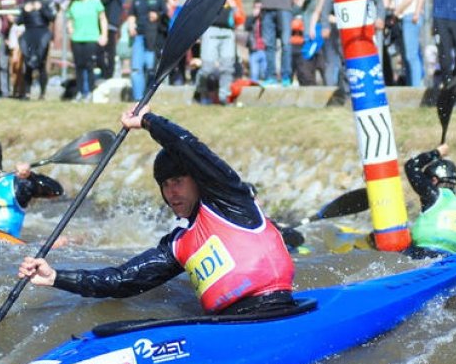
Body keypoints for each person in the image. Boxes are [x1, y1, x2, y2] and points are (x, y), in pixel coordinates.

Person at [18, 106, 296, 316]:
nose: (172, 191)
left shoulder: (231, 201)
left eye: (178, 181)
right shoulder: (178, 245)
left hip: (275, 307)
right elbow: (121, 280)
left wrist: (148, 122)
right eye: (165, 185)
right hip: (228, 325)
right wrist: (55, 277)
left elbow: (189, 148)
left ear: (196, 181)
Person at [404, 143, 456, 258]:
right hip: (451, 256)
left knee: (398, 246)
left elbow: (411, 166)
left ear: (434, 180)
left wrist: (437, 152)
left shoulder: (433, 194)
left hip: (424, 253)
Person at [126, 0, 168, 101]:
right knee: (136, 68)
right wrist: (131, 27)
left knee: (151, 67)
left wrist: (157, 15)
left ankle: (148, 96)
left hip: (153, 37)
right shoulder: (136, 1)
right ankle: (138, 97)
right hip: (139, 37)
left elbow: (165, 14)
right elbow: (131, 16)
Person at [67, 0, 108, 102]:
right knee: (79, 66)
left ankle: (90, 92)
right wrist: (70, 29)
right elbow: (70, 20)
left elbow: (102, 18)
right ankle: (80, 92)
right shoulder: (73, 5)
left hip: (91, 38)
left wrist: (103, 35)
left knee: (90, 66)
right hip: (77, 39)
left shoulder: (95, 3)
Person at [18, 0, 57, 99]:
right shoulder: (25, 2)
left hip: (42, 33)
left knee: (41, 63)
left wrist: (41, 9)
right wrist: (25, 11)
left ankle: (42, 93)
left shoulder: (45, 1)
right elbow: (19, 20)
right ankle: (28, 92)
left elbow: (52, 17)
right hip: (29, 33)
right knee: (28, 63)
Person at [97, 0, 125, 82]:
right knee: (99, 52)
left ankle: (108, 76)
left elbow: (103, 1)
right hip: (99, 23)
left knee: (109, 51)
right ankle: (103, 74)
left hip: (110, 23)